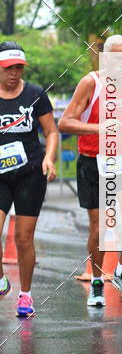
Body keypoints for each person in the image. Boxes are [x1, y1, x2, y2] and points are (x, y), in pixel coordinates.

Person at [58, 35, 122, 306]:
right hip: (92, 161)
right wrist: (101, 128)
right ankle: (97, 281)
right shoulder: (91, 83)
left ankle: (121, 270)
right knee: (99, 229)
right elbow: (65, 123)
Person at [0, 41, 57, 318]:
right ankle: (1, 279)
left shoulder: (35, 94)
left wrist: (49, 158)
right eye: (9, 68)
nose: (14, 73)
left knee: (23, 238)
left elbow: (52, 131)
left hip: (30, 172)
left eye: (19, 67)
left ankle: (25, 295)